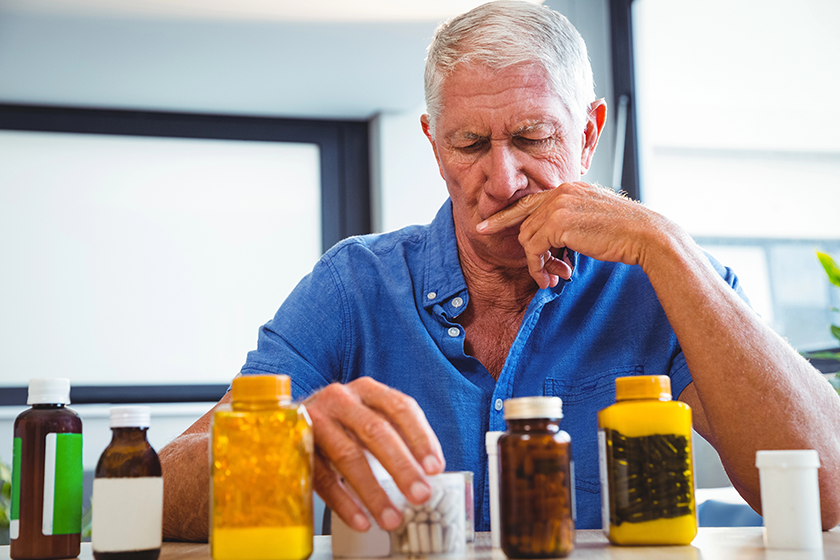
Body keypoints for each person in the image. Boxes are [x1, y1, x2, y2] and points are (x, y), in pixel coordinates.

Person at [159, 0, 840, 540]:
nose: (503, 178)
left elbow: (827, 491)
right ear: (434, 144)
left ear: (588, 134)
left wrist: (666, 244)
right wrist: (286, 433)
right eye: (470, 144)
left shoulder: (662, 283)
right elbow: (156, 495)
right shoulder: (351, 287)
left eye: (533, 138)